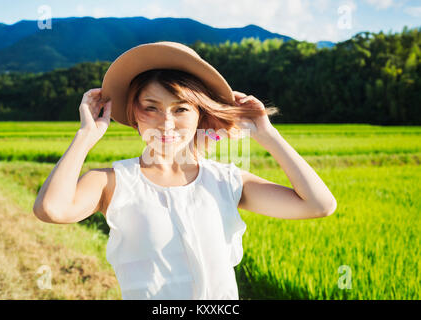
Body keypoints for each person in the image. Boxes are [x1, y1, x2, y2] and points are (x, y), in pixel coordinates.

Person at [33, 41, 337, 300]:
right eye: (151, 107)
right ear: (133, 115)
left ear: (199, 115)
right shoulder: (110, 183)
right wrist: (86, 134)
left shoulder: (226, 181)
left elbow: (319, 205)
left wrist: (267, 134)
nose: (166, 123)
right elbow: (51, 209)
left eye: (180, 109)